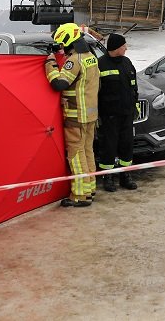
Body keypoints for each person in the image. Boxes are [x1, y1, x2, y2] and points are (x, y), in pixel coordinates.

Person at [44, 23, 100, 207]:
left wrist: (50, 64)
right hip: (91, 114)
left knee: (76, 156)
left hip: (76, 116)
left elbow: (60, 84)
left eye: (61, 44)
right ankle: (90, 189)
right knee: (88, 152)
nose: (61, 48)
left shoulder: (74, 60)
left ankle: (80, 195)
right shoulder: (91, 57)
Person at [97, 33, 138, 192]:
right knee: (108, 146)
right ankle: (108, 177)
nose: (126, 48)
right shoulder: (101, 64)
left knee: (127, 146)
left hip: (126, 114)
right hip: (109, 115)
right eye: (123, 46)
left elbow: (134, 86)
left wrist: (134, 106)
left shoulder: (127, 63)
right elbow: (95, 91)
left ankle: (125, 176)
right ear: (115, 48)